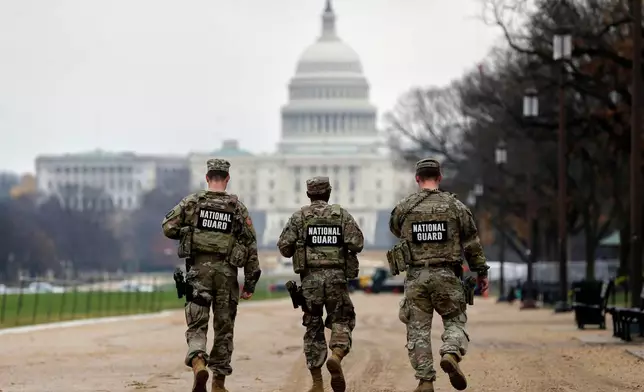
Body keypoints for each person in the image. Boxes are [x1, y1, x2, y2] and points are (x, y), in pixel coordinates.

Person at [388, 158, 489, 392]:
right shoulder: (456, 207)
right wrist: (481, 271)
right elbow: (471, 242)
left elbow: (395, 229)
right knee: (455, 320)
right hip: (447, 274)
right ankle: (451, 352)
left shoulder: (404, 208)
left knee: (418, 330)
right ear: (440, 177)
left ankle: (425, 380)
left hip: (416, 277)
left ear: (417, 179)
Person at [161, 158, 261, 392]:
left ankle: (198, 362)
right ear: (227, 179)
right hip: (226, 275)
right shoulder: (237, 207)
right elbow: (250, 247)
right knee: (224, 328)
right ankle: (218, 383)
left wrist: (190, 233)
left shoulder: (192, 202)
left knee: (197, 323)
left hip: (198, 272)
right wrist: (250, 284)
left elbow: (168, 227)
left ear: (207, 178)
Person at [277, 176, 364, 392]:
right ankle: (336, 355)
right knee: (342, 320)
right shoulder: (340, 215)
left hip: (310, 282)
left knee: (313, 327)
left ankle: (317, 383)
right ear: (329, 193)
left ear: (308, 194)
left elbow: (284, 247)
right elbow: (358, 243)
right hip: (336, 279)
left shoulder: (300, 217)